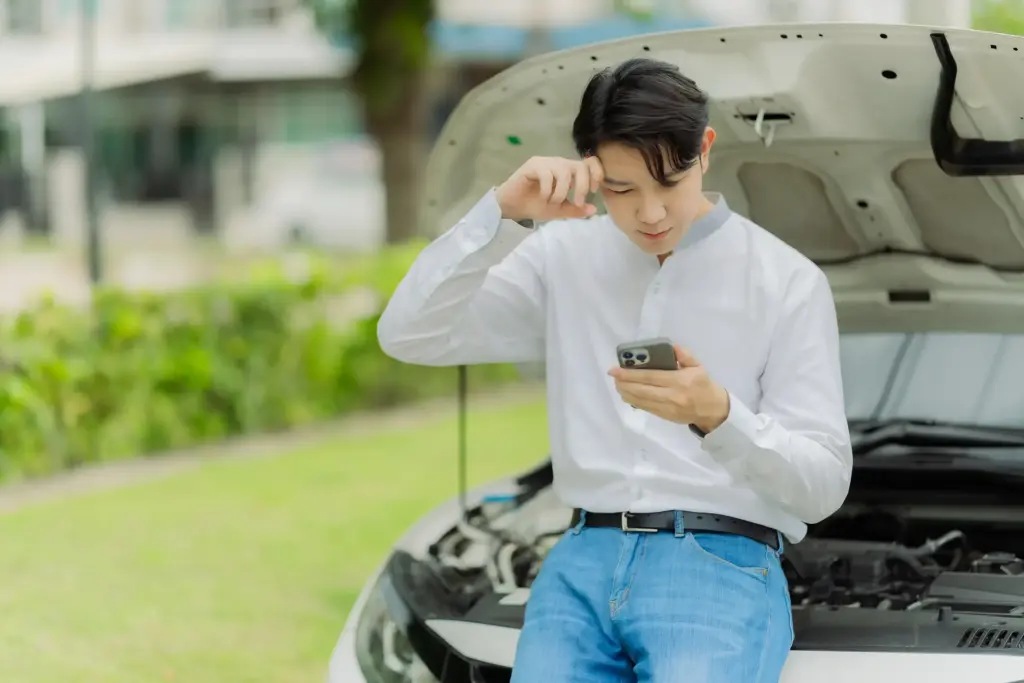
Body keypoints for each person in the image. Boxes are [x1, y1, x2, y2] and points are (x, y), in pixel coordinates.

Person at [377, 57, 852, 683]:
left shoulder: (786, 280)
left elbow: (823, 485)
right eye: (622, 189)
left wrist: (719, 415)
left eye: (669, 182)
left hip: (718, 562)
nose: (650, 214)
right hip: (578, 562)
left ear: (705, 150)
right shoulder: (559, 254)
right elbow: (407, 334)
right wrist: (503, 214)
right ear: (591, 169)